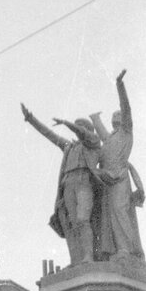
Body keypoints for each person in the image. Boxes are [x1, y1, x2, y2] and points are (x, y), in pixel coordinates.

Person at [20, 102, 102, 266]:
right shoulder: (68, 146)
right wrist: (31, 119)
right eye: (76, 126)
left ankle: (88, 257)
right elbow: (49, 134)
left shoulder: (93, 142)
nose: (77, 129)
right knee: (71, 225)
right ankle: (76, 260)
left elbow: (82, 133)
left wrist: (66, 123)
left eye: (80, 127)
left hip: (84, 182)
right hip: (68, 184)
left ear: (87, 130)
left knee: (82, 219)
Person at [89, 69, 145, 261]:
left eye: (118, 115)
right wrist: (95, 119)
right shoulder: (111, 138)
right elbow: (102, 133)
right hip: (107, 179)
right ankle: (115, 250)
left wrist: (119, 85)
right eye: (114, 116)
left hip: (119, 177)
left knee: (120, 212)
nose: (115, 117)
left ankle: (125, 250)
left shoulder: (126, 132)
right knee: (110, 216)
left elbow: (126, 107)